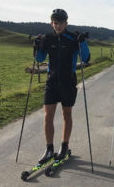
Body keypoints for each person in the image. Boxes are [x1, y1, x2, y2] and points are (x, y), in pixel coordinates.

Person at [34, 9, 90, 163]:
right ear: (52, 23)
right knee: (48, 116)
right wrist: (37, 46)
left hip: (68, 82)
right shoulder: (48, 38)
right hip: (52, 82)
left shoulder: (73, 38)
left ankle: (64, 146)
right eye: (55, 22)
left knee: (66, 115)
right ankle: (49, 148)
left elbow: (85, 58)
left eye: (60, 23)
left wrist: (82, 42)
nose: (57, 25)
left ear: (66, 23)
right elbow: (39, 59)